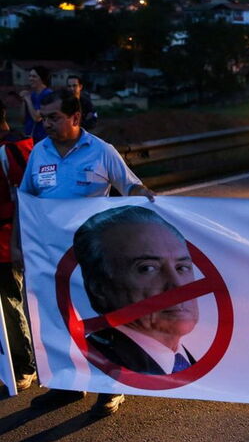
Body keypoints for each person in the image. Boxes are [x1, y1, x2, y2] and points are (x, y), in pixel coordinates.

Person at [15, 89, 155, 417]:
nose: (45, 123)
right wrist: (18, 244)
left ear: (75, 117)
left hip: (93, 256)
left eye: (53, 117)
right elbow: (26, 199)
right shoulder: (39, 153)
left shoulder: (101, 151)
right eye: (43, 117)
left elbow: (129, 186)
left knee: (102, 322)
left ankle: (111, 387)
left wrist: (143, 193)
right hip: (49, 256)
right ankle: (66, 384)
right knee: (55, 321)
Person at [73, 206, 199, 376]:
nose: (177, 286)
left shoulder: (193, 361)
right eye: (148, 268)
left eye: (182, 267)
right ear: (100, 288)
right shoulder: (95, 358)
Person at [0, 104, 36, 393]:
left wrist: (17, 244)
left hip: (6, 240)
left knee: (11, 302)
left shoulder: (11, 150)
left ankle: (25, 367)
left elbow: (22, 198)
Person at [19, 66, 54, 143]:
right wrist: (24, 101)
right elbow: (22, 120)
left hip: (42, 139)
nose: (30, 79)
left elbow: (37, 118)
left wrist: (28, 100)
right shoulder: (32, 95)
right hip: (29, 138)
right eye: (30, 76)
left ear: (42, 79)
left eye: (34, 76)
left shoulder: (48, 94)